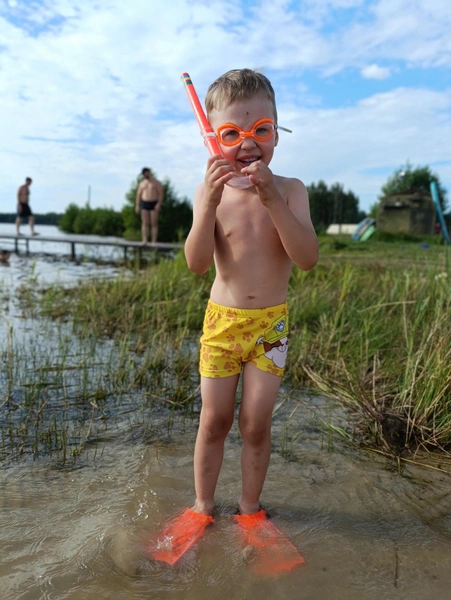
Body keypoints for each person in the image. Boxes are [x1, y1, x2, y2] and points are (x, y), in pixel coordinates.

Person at [184, 69, 319, 519]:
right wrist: (205, 208)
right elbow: (197, 263)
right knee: (215, 420)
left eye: (260, 130)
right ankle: (202, 507)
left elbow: (306, 258)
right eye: (231, 133)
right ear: (213, 138)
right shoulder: (209, 193)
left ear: (276, 134)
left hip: (270, 328)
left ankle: (249, 509)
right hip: (222, 324)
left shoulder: (291, 190)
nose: (247, 144)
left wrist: (272, 202)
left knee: (256, 424)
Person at [135, 167, 163, 245]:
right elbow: (138, 195)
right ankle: (144, 240)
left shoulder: (156, 182)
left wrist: (159, 204)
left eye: (144, 173)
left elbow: (160, 194)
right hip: (144, 203)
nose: (144, 175)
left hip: (154, 203)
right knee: (145, 222)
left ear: (148, 172)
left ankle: (153, 241)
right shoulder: (142, 183)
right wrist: (137, 205)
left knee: (154, 223)